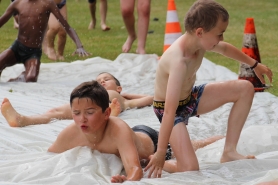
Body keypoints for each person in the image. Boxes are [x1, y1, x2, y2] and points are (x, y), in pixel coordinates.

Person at [144, 0, 273, 178]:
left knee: (245, 88)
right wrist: (159, 153)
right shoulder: (178, 61)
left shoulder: (200, 42)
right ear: (200, 32)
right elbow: (168, 111)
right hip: (169, 110)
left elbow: (225, 49)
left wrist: (254, 64)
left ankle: (229, 151)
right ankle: (163, 161)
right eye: (219, 34)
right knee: (189, 168)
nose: (222, 39)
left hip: (190, 98)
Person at [47, 80, 224, 183]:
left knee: (192, 151)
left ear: (106, 113)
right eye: (76, 113)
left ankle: (216, 139)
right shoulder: (72, 132)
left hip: (151, 143)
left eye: (90, 113)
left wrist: (128, 180)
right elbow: (48, 158)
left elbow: (135, 169)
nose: (82, 119)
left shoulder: (117, 129)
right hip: (129, 140)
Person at [1, 72, 153, 127]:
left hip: (109, 106)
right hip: (86, 102)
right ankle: (22, 119)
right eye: (99, 80)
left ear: (118, 87)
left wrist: (126, 95)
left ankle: (110, 116)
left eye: (106, 79)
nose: (102, 81)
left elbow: (152, 98)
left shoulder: (123, 99)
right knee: (55, 111)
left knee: (109, 106)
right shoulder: (93, 93)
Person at [0, 0, 89, 82]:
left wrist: (79, 46)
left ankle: (20, 78)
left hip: (33, 53)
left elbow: (67, 26)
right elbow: (1, 21)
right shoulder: (17, 3)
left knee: (31, 78)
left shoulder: (47, 3)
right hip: (17, 47)